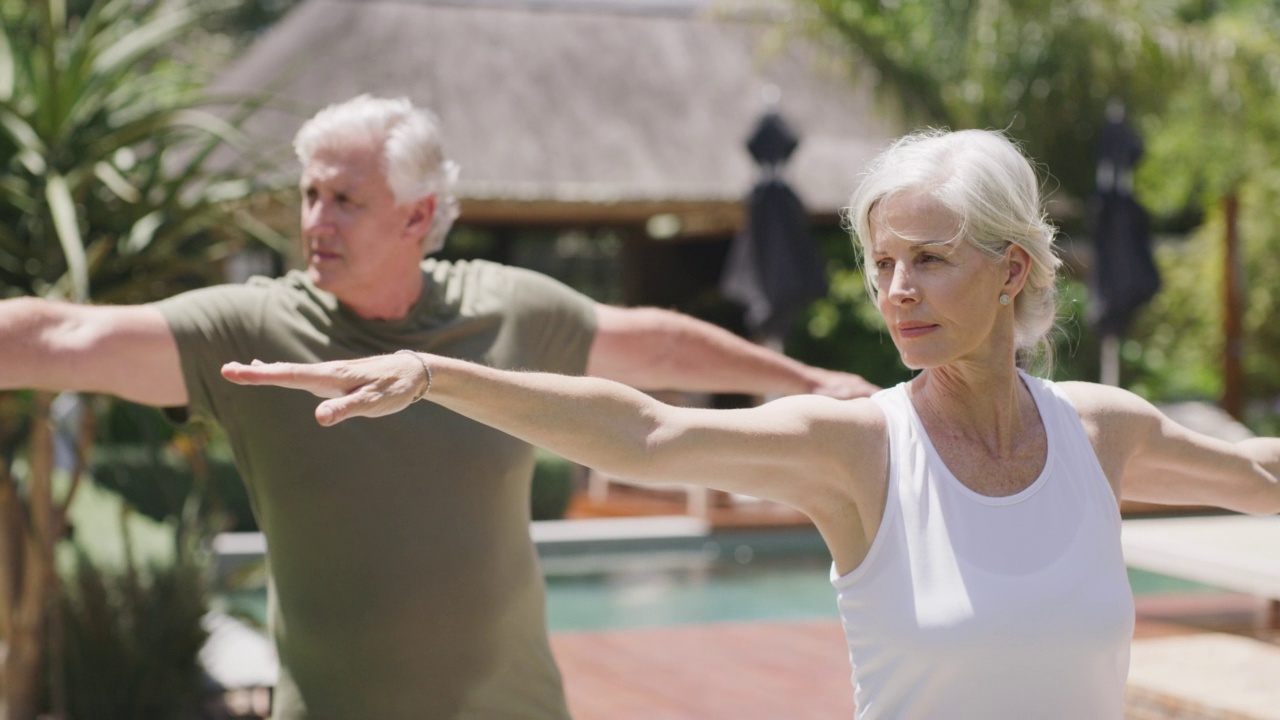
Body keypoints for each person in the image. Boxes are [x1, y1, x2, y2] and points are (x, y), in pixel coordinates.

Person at [223, 127, 1280, 719]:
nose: (895, 290)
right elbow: (643, 433)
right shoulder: (860, 448)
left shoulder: (1100, 433)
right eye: (879, 264)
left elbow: (1258, 474)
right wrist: (439, 373)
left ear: (1010, 271)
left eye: (928, 258)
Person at [0, 94, 878, 719]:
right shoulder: (249, 325)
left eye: (346, 199)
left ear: (419, 216)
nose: (316, 220)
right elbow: (62, 339)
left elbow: (652, 341)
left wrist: (803, 382)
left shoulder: (507, 308)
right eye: (310, 194)